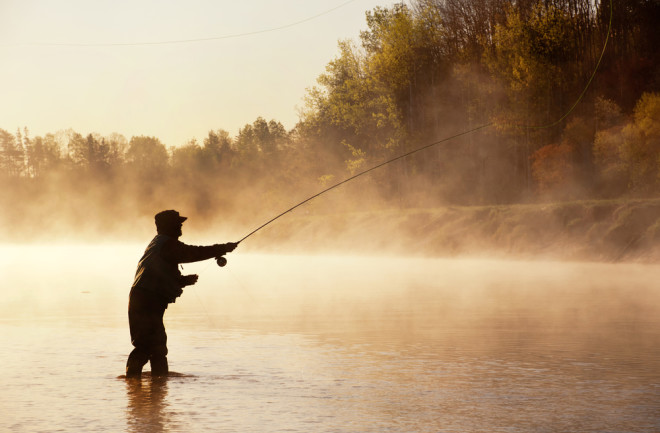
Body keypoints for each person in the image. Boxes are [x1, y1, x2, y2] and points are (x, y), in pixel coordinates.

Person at [126, 209, 237, 378]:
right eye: (178, 224)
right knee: (148, 346)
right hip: (146, 300)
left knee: (156, 347)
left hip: (143, 299)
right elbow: (193, 253)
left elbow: (159, 274)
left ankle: (153, 388)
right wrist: (222, 248)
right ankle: (136, 385)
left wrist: (183, 281)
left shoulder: (159, 244)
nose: (180, 226)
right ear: (167, 226)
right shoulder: (167, 244)